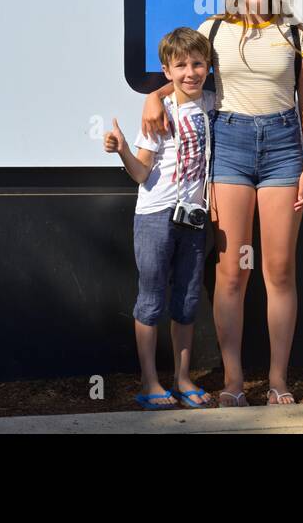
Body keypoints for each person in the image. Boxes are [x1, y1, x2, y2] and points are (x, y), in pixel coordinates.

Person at [141, 0, 303, 406]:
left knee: (278, 270)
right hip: (231, 148)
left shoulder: (296, 32)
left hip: (283, 150)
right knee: (232, 272)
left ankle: (279, 381)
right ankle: (234, 382)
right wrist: (153, 97)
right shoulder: (214, 29)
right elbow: (185, 76)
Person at [104, 27, 215, 410]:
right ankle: (149, 381)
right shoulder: (157, 114)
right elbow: (140, 173)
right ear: (167, 70)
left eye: (197, 63)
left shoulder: (214, 103)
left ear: (208, 66)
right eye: (180, 65)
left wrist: (155, 93)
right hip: (155, 215)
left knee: (186, 301)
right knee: (151, 298)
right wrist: (121, 149)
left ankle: (183, 379)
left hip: (195, 217)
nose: (190, 72)